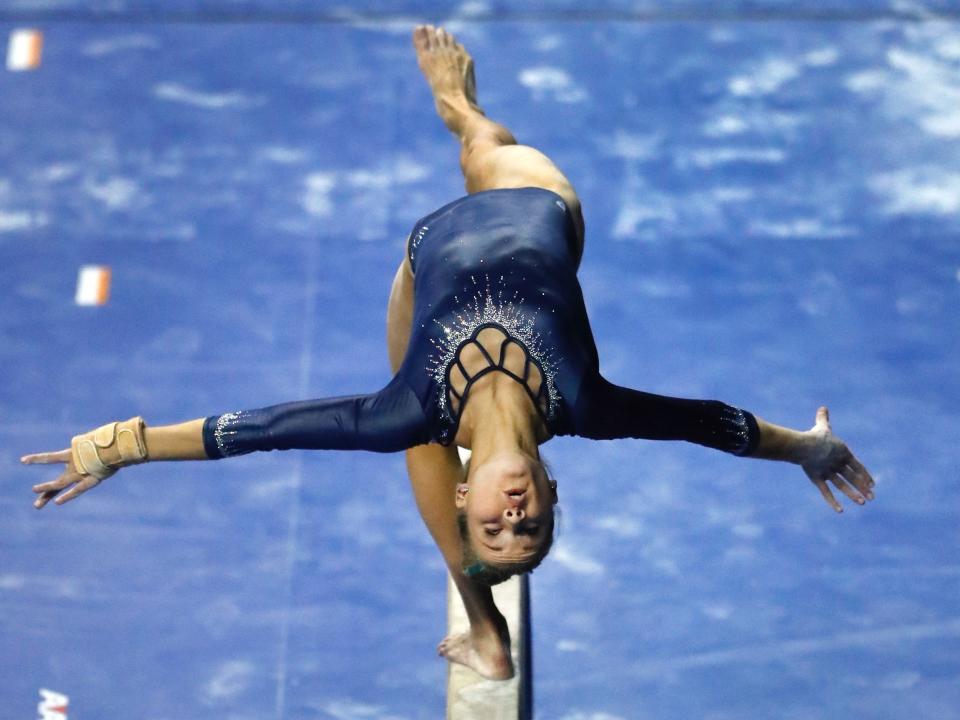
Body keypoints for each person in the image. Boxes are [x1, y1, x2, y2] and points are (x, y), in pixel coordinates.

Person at [22, 25, 875, 679]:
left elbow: (258, 430)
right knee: (479, 146)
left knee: (410, 430)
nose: (511, 515)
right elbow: (710, 424)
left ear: (471, 497)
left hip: (422, 260)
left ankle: (485, 625)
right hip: (536, 201)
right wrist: (811, 447)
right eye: (529, 524)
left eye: (494, 527)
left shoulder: (408, 409)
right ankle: (463, 106)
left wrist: (122, 447)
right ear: (549, 488)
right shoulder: (589, 406)